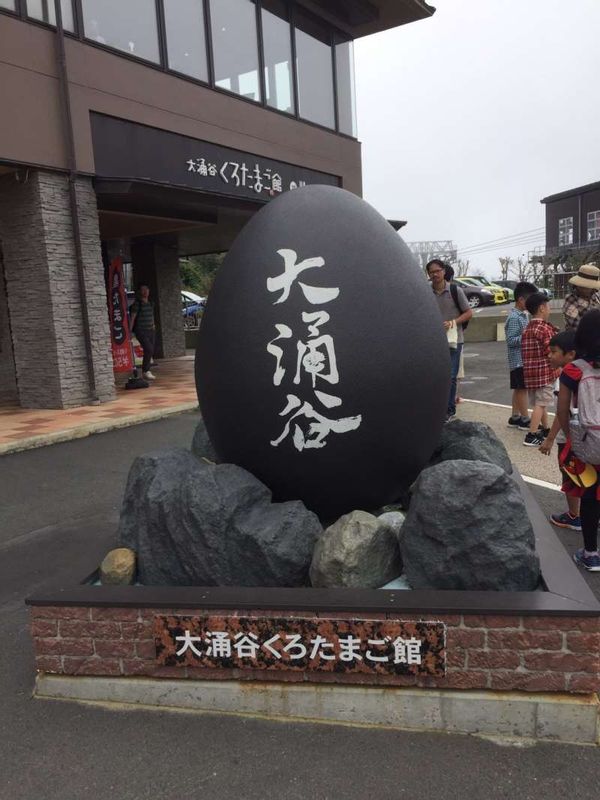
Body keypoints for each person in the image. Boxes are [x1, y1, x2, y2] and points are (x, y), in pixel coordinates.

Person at [557, 309, 600, 571]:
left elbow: (562, 411)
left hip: (587, 443)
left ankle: (591, 554)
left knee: (590, 494)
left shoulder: (573, 370)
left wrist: (574, 437)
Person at [538, 330, 581, 531]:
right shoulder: (587, 370)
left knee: (570, 475)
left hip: (570, 437)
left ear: (570, 354)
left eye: (554, 351)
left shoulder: (566, 375)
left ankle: (574, 516)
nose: (549, 355)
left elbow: (561, 412)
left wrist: (550, 439)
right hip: (589, 436)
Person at [426, 259, 473, 421]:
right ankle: (437, 407)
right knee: (435, 374)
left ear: (444, 271)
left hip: (454, 340)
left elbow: (468, 313)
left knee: (451, 376)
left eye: (437, 271)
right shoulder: (426, 292)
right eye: (431, 272)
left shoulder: (455, 290)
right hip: (434, 340)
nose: (435, 274)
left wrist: (453, 322)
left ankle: (449, 410)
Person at [521, 291, 559, 446]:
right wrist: (558, 368)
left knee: (539, 402)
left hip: (530, 373)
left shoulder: (527, 329)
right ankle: (531, 434)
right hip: (544, 372)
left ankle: (545, 428)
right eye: (548, 306)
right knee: (541, 404)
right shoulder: (544, 329)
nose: (549, 309)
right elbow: (551, 352)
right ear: (542, 308)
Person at [504, 281, 537, 429]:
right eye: (530, 300)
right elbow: (511, 340)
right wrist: (527, 336)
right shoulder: (514, 318)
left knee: (519, 389)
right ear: (521, 300)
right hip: (518, 360)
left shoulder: (523, 315)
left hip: (521, 360)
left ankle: (515, 416)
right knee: (522, 389)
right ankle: (524, 419)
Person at [129, 285, 156, 381]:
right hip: (141, 330)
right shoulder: (137, 304)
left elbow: (152, 315)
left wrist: (153, 325)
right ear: (140, 292)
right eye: (143, 290)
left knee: (150, 350)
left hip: (151, 330)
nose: (145, 292)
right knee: (149, 349)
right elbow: (132, 318)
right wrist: (129, 331)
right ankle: (146, 371)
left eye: (146, 289)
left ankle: (146, 371)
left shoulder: (151, 303)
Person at [562, 263, 600, 331]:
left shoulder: (595, 296)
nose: (583, 288)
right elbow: (577, 326)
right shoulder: (571, 299)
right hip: (578, 337)